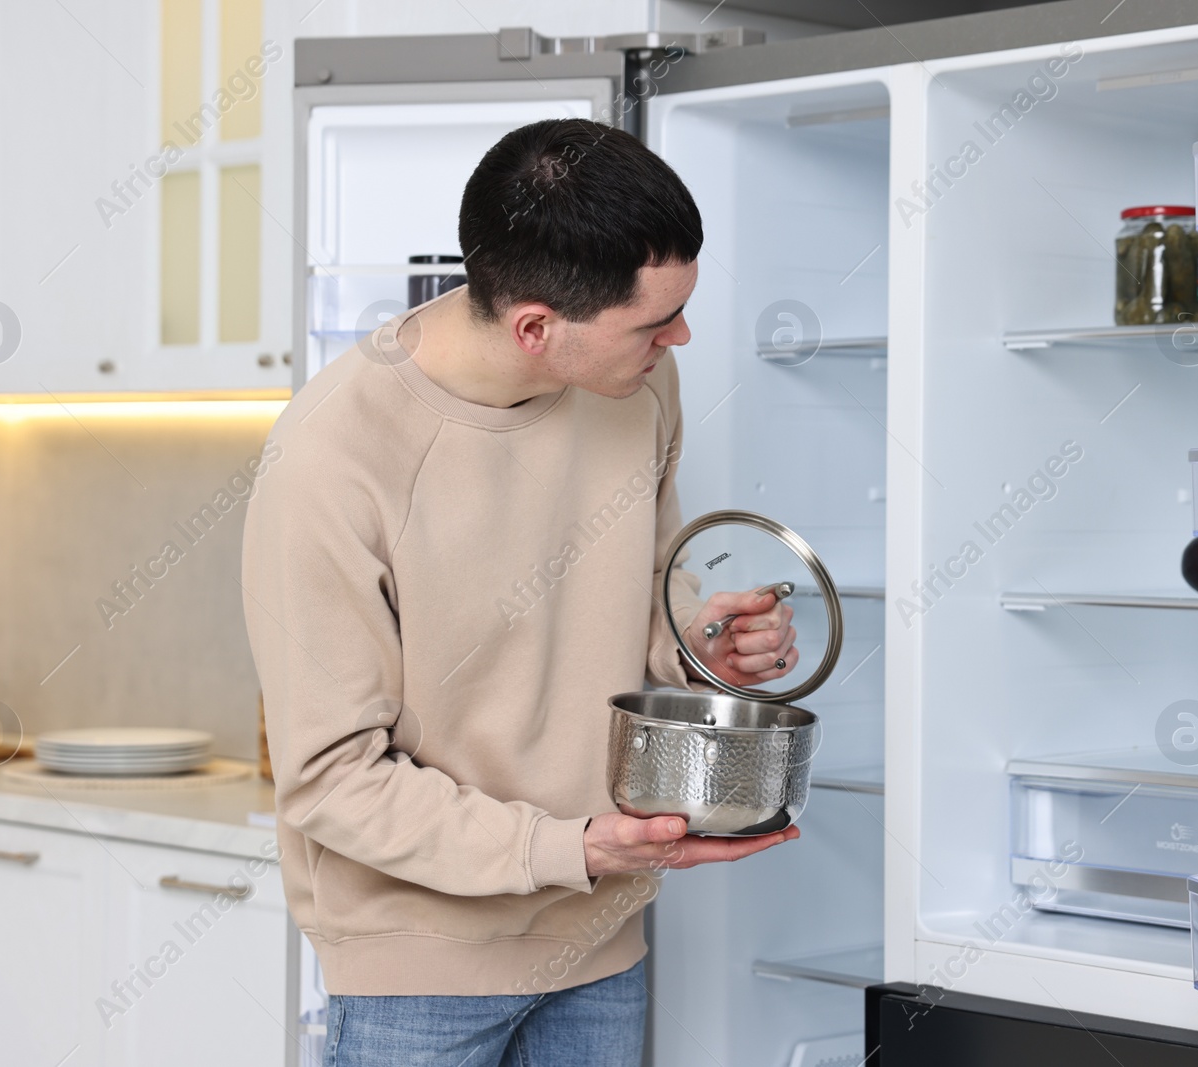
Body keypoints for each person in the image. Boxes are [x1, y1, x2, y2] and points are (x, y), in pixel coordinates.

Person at [242, 117, 799, 1067]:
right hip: (422, 969)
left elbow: (647, 594)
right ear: (537, 326)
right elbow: (331, 778)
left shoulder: (638, 384)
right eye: (655, 322)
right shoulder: (331, 459)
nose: (682, 337)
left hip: (600, 940)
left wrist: (702, 640)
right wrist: (574, 846)